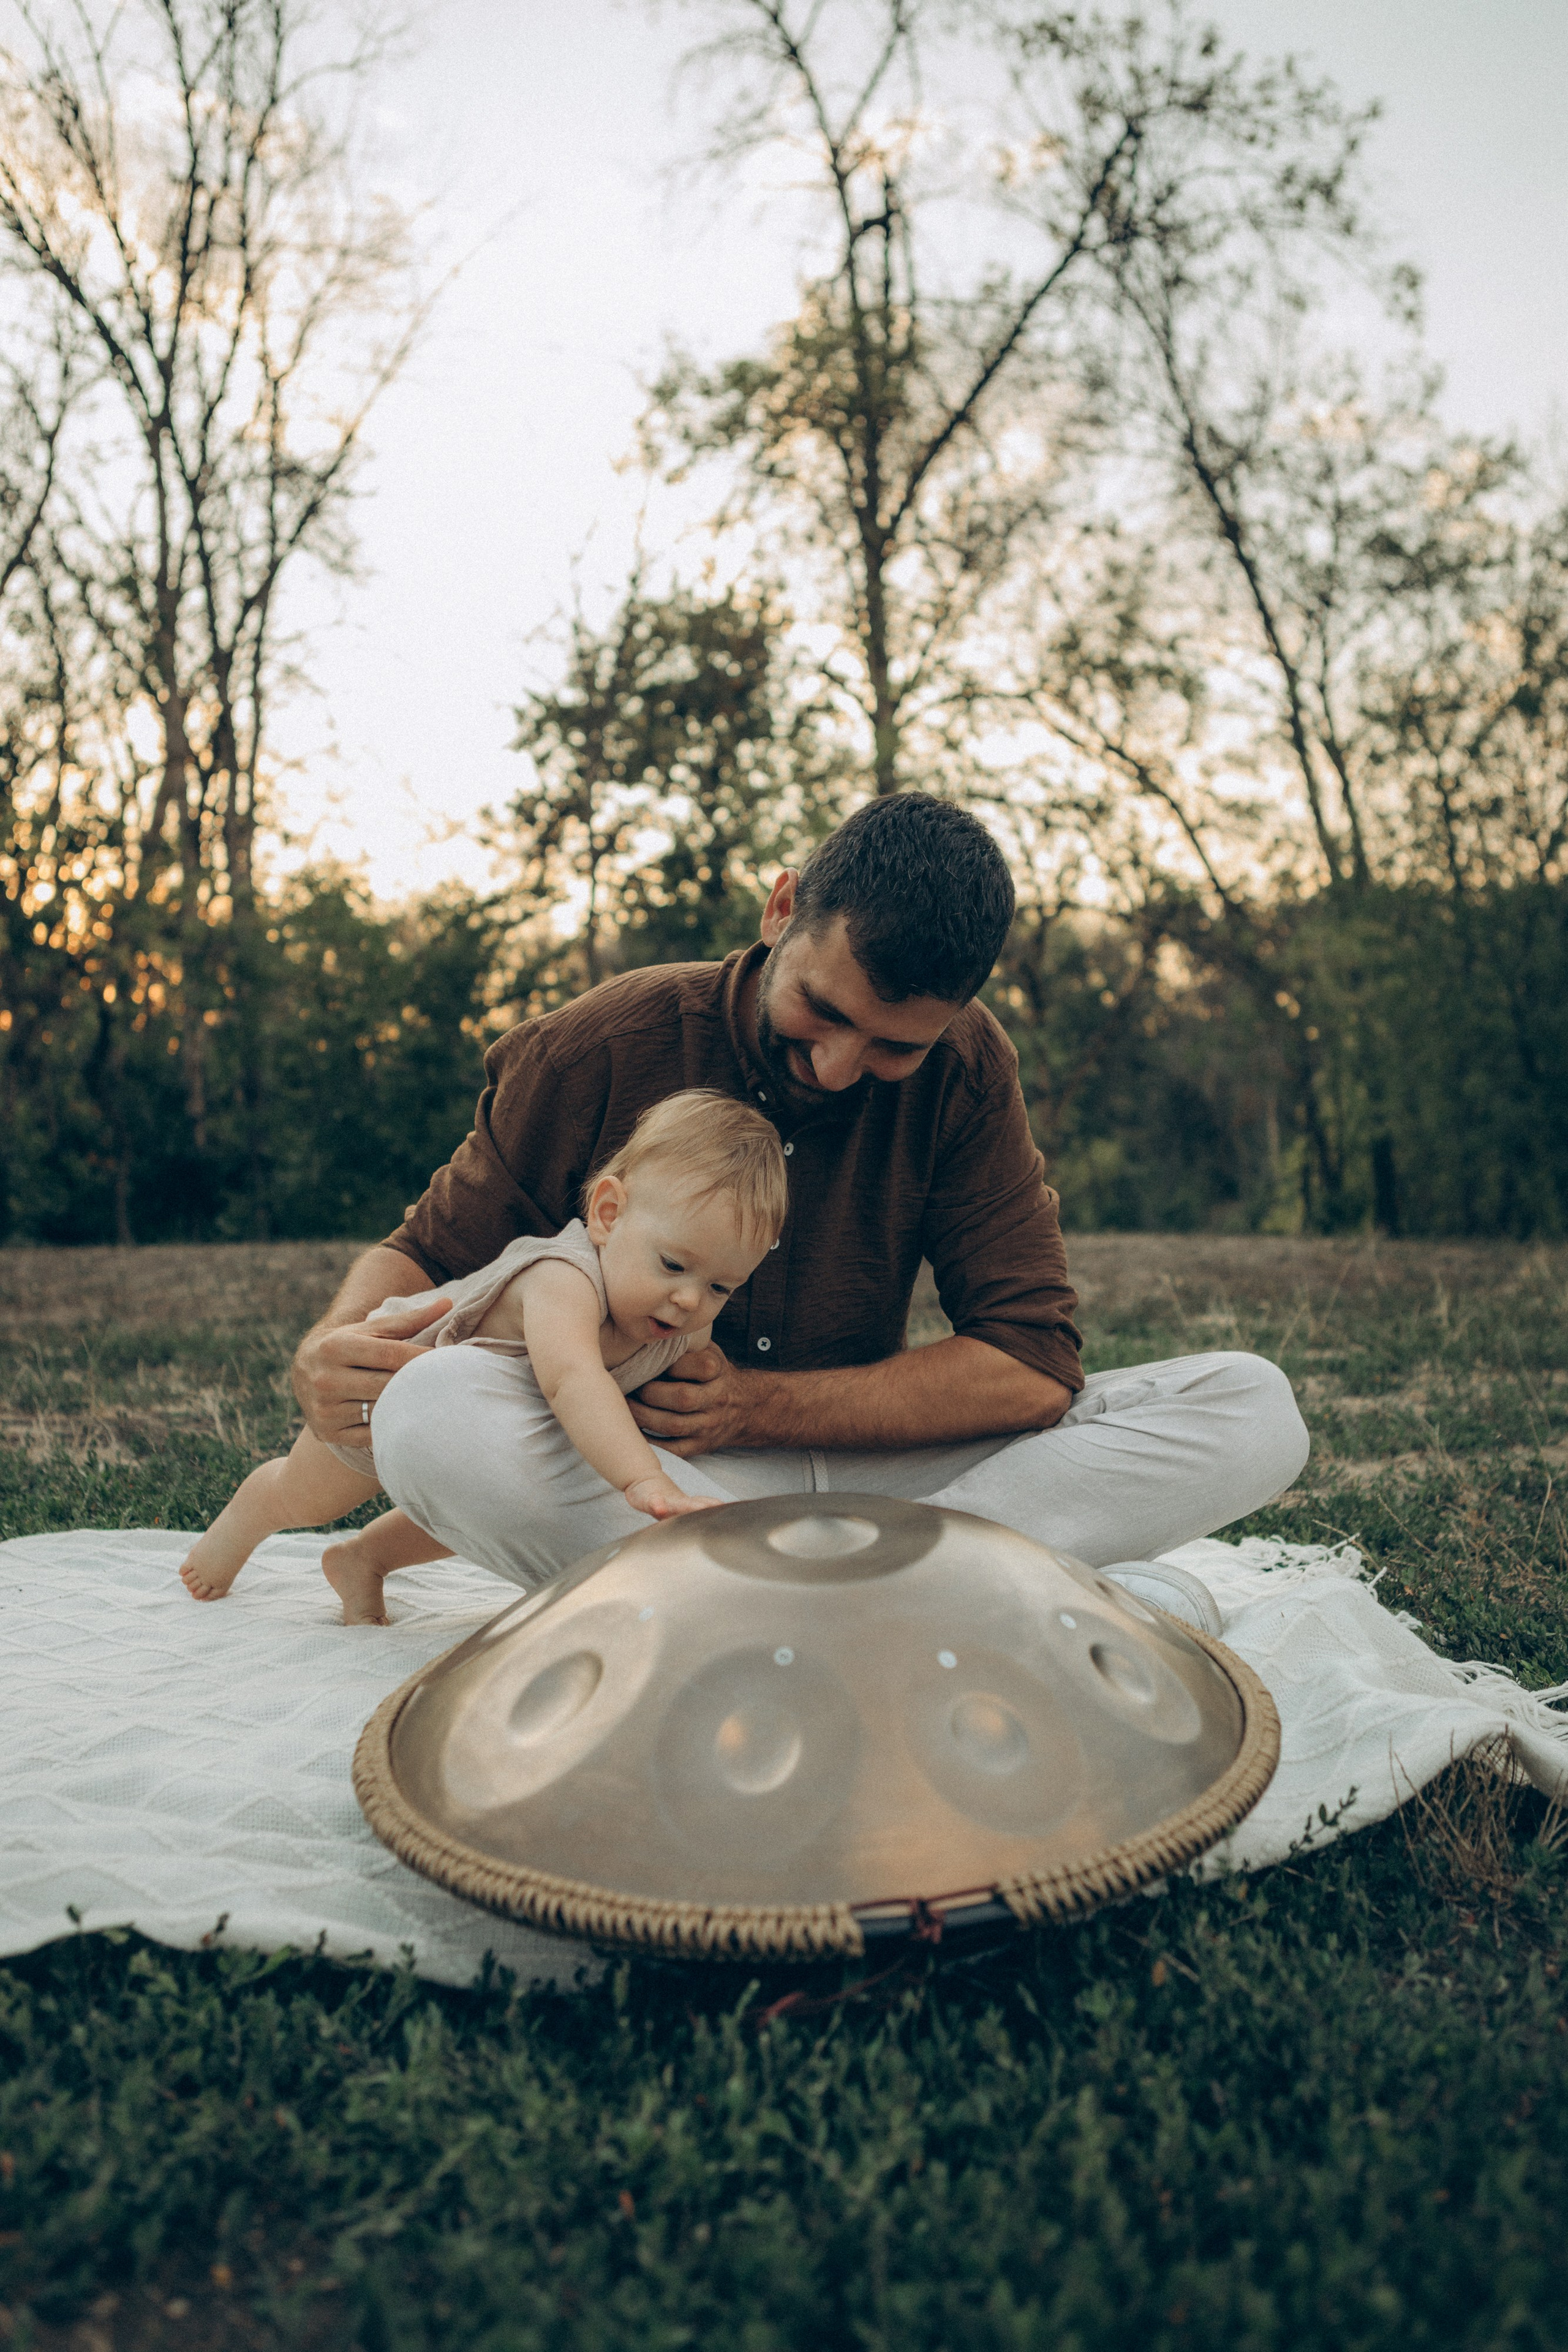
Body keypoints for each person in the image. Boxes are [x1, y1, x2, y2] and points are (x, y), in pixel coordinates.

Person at [289, 793, 1310, 1591]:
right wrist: (333, 1346)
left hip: (892, 1475)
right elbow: (425, 1251)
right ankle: (923, 1595)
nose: (834, 1066)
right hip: (663, 1481)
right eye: (819, 1010)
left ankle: (770, 1598)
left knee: (1251, 1407)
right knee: (432, 1413)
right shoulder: (606, 1040)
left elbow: (1031, 1366)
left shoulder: (967, 1068)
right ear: (783, 910)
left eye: (891, 1047)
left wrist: (760, 1406)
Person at [180, 1093, 786, 1623]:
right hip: (389, 1385)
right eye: (674, 1266)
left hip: (486, 1428)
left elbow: (686, 1370)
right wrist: (645, 1481)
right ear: (608, 1215)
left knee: (472, 1510)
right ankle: (239, 1527)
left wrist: (704, 1378)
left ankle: (363, 1559)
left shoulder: (677, 1321)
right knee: (307, 1496)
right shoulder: (565, 1279)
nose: (689, 1301)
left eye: (720, 1287)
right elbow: (572, 1379)